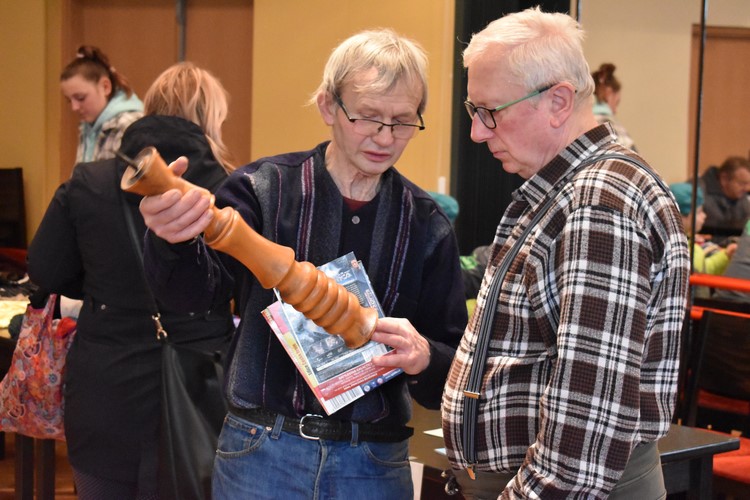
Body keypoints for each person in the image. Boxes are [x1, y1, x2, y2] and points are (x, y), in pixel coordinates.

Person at [137, 29, 466, 500]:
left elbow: (450, 366)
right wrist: (173, 239)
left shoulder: (426, 224)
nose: (385, 137)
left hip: (372, 463)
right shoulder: (261, 189)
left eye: (402, 121)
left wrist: (424, 357)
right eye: (368, 117)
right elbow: (192, 296)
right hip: (261, 451)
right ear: (328, 106)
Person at [441, 8, 690, 499]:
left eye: (490, 111)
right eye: (475, 112)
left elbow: (587, 426)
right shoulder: (570, 188)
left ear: (558, 101)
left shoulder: (600, 200)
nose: (477, 132)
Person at [28, 62, 235, 499]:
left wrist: (105, 289)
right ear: (212, 119)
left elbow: (46, 272)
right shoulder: (234, 189)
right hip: (201, 385)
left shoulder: (88, 182)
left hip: (106, 386)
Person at [60, 45, 144, 163]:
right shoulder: (88, 125)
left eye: (81, 98)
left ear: (105, 87)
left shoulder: (129, 125)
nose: (74, 107)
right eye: (69, 100)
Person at [670, 182, 736, 275]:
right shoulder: (681, 250)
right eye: (699, 212)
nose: (704, 216)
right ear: (682, 215)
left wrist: (726, 255)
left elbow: (704, 269)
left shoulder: (690, 243)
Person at [699, 155, 750, 237]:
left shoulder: (742, 197)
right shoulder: (698, 192)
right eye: (742, 183)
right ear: (724, 179)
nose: (747, 188)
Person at [592, 62, 637, 151]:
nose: (615, 110)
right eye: (616, 103)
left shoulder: (581, 123)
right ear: (609, 93)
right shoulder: (610, 126)